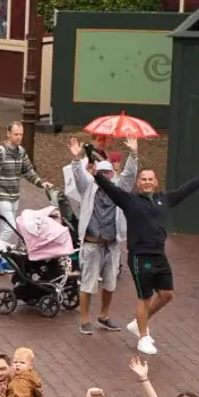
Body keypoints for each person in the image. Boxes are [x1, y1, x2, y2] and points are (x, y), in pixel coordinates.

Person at [94, 154, 199, 355]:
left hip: (159, 256)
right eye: (143, 179)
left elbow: (186, 190)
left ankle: (139, 323)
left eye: (150, 180)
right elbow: (110, 188)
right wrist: (96, 174)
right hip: (140, 257)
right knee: (144, 297)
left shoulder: (165, 199)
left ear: (155, 182)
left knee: (167, 295)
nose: (147, 183)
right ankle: (143, 337)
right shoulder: (129, 200)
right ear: (139, 183)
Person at [64, 136, 139, 334]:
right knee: (88, 284)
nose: (106, 176)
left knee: (110, 283)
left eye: (109, 172)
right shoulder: (89, 187)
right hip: (92, 243)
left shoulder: (119, 189)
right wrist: (76, 158)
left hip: (112, 244)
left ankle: (104, 316)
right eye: (103, 172)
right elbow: (79, 176)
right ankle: (84, 319)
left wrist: (133, 153)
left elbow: (130, 176)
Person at [0, 122, 49, 263]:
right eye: (16, 134)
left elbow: (28, 171)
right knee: (11, 226)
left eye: (21, 134)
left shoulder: (21, 152)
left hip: (14, 196)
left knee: (7, 226)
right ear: (8, 133)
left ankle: (4, 258)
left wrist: (41, 183)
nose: (19, 137)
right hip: (2, 195)